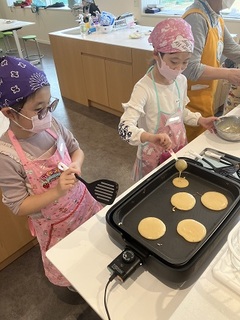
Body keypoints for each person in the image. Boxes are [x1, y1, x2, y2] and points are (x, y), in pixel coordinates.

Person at [0, 56, 102, 289]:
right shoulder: (6, 156)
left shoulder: (52, 125)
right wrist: (57, 191)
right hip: (55, 226)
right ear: (9, 113)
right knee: (73, 266)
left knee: (93, 247)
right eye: (39, 109)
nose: (46, 114)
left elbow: (77, 150)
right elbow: (19, 206)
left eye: (49, 106)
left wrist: (76, 165)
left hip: (83, 204)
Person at [118, 18, 217, 182]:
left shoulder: (181, 81)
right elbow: (124, 128)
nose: (179, 69)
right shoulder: (144, 88)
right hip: (152, 158)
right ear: (157, 54)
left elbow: (180, 112)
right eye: (174, 62)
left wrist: (200, 120)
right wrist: (150, 137)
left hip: (178, 149)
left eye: (185, 62)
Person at [182, 0, 240, 141]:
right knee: (190, 143)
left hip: (205, 94)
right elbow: (190, 68)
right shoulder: (195, 18)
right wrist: (228, 74)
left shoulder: (215, 16)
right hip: (190, 100)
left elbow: (232, 49)